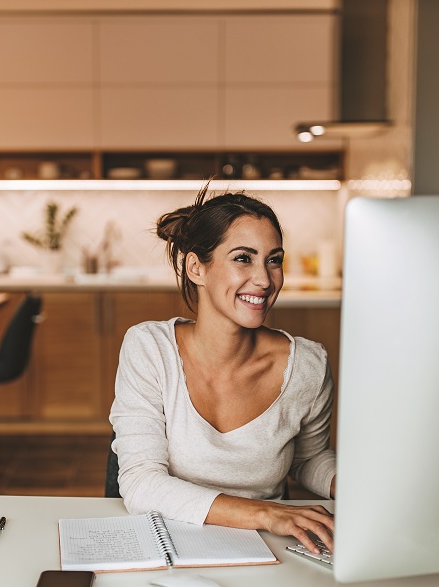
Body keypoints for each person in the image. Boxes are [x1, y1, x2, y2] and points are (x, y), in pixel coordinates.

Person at [109, 185, 336, 554]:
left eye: (274, 259)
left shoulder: (308, 365)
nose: (264, 280)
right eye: (243, 258)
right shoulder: (150, 349)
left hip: (271, 549)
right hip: (170, 542)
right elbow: (141, 483)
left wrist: (354, 484)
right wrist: (265, 513)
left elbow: (309, 457)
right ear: (196, 267)